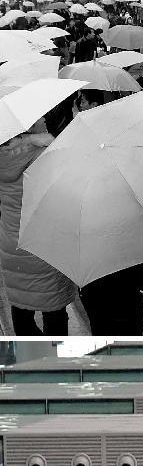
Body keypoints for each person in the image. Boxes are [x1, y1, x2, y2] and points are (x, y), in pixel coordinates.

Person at [0, 129, 76, 335]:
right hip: (44, 244)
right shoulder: (44, 154)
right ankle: (54, 359)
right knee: (54, 309)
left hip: (11, 242)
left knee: (21, 305)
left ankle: (30, 354)